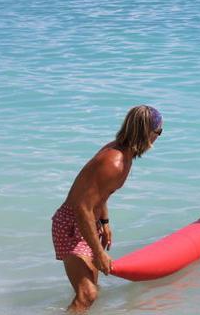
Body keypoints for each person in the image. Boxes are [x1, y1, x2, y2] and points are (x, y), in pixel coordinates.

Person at [51, 105, 163, 313]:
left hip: (88, 223)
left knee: (92, 290)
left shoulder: (124, 155)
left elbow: (100, 195)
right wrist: (99, 252)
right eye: (159, 132)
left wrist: (104, 221)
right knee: (88, 294)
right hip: (71, 225)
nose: (158, 138)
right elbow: (81, 207)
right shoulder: (114, 162)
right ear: (147, 133)